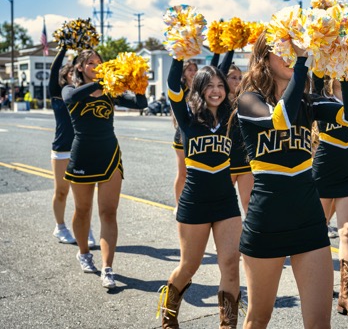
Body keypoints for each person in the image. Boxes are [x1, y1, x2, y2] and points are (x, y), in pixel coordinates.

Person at [236, 33, 348, 328]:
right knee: (258, 318)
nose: (292, 56)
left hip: (309, 219)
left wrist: (346, 71)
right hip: (267, 222)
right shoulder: (248, 101)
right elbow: (280, 119)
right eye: (284, 51)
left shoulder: (309, 102)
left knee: (319, 323)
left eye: (296, 51)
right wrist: (303, 61)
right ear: (265, 57)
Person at [157, 58, 242, 328]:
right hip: (194, 201)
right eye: (209, 86)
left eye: (221, 85)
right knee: (189, 266)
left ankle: (227, 324)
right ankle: (168, 316)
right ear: (199, 88)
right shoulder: (187, 116)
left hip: (226, 201)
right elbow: (173, 84)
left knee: (231, 263)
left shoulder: (233, 117)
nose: (216, 90)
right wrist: (178, 54)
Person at [62, 49, 147, 289]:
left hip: (109, 155)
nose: (96, 66)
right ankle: (83, 253)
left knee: (108, 212)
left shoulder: (110, 91)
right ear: (80, 67)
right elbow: (71, 98)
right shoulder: (70, 89)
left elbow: (141, 103)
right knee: (82, 210)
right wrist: (104, 82)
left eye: (99, 62)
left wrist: (139, 82)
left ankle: (107, 267)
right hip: (82, 156)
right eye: (90, 63)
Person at [313, 74, 348, 317]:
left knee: (347, 231)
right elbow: (314, 67)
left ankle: (347, 296)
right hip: (323, 171)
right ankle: (320, 284)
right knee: (317, 232)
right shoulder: (320, 93)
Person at [49, 47, 95, 247]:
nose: (72, 75)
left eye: (74, 71)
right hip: (61, 149)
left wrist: (83, 48)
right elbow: (53, 71)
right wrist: (64, 48)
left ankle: (86, 228)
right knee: (61, 191)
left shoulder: (83, 93)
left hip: (81, 149)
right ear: (64, 76)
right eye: (69, 72)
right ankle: (60, 227)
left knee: (84, 196)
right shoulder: (57, 93)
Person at [218, 54, 254, 215]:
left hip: (245, 159)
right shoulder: (220, 102)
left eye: (240, 77)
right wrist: (231, 47)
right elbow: (220, 71)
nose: (238, 81)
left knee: (248, 201)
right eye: (233, 77)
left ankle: (251, 230)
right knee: (223, 202)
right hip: (226, 160)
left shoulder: (245, 100)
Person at [171, 60, 198, 210]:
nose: (193, 72)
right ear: (184, 72)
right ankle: (178, 205)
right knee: (183, 173)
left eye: (195, 69)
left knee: (197, 173)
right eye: (189, 70)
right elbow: (172, 80)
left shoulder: (200, 88)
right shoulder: (181, 88)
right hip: (182, 135)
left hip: (198, 135)